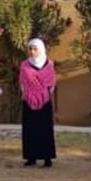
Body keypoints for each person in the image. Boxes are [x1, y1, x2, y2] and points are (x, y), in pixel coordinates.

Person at [19, 39, 56, 168]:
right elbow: (23, 83)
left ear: (41, 49)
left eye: (35, 49)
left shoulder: (49, 65)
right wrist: (30, 95)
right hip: (28, 101)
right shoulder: (24, 65)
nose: (32, 51)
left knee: (45, 129)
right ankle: (31, 157)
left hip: (45, 102)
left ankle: (47, 158)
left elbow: (51, 84)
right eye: (30, 49)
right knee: (30, 130)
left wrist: (42, 95)